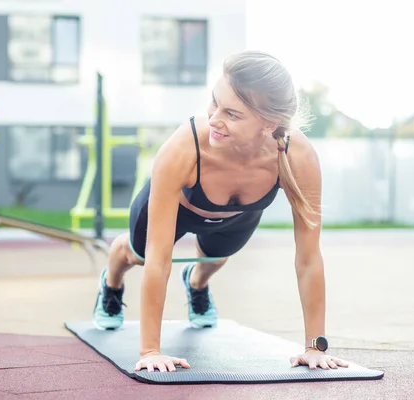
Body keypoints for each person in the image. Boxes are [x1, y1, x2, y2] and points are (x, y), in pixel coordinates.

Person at [92, 50, 349, 373]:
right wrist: (150, 351)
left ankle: (196, 283)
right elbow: (160, 259)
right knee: (140, 254)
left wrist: (315, 347)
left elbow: (309, 258)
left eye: (232, 113)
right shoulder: (182, 149)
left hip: (236, 216)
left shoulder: (297, 156)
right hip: (181, 207)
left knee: (215, 257)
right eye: (214, 102)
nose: (214, 118)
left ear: (268, 124)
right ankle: (112, 282)